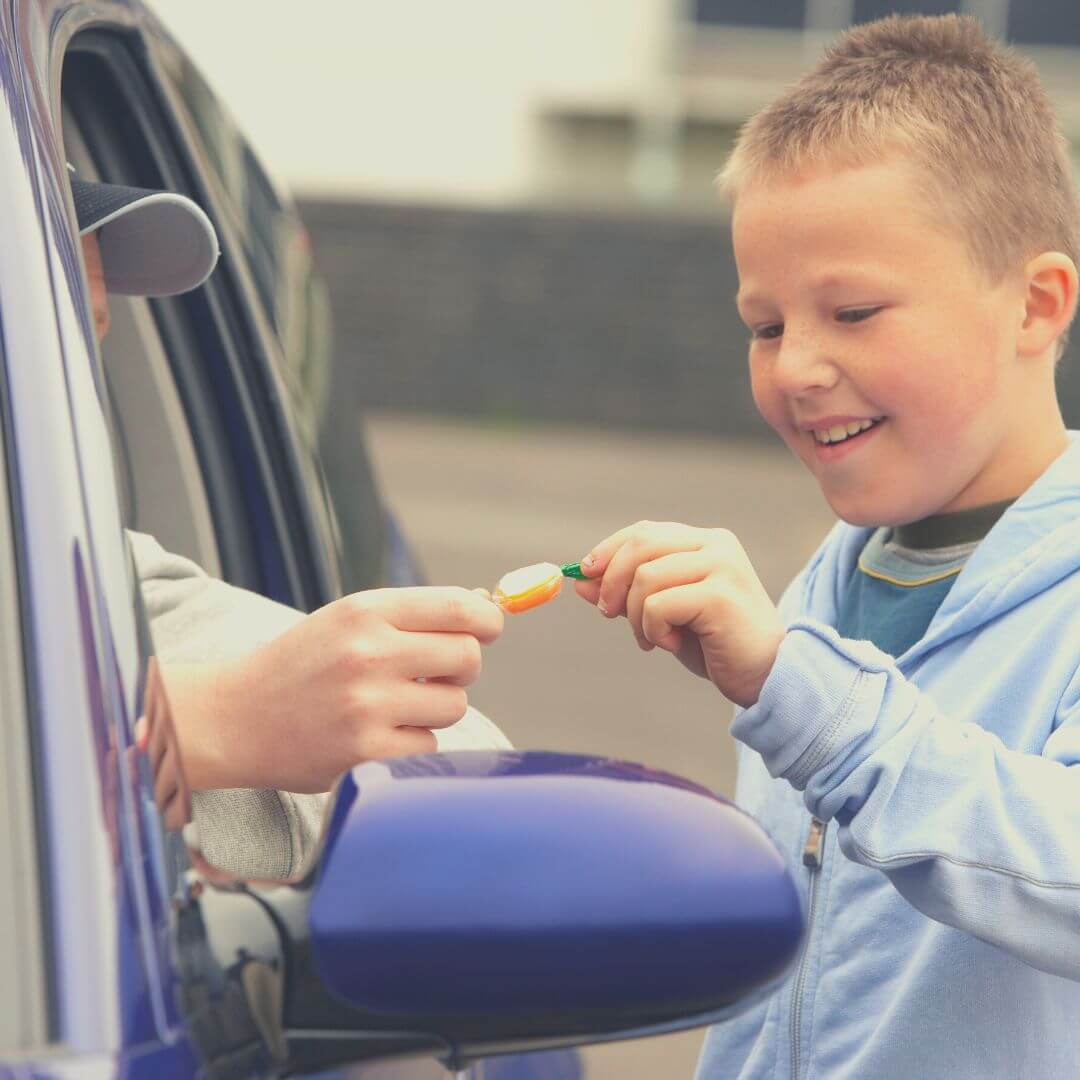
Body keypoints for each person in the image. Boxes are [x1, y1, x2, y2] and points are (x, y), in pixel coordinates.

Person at [573, 15, 1080, 1078]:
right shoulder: (821, 592)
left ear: (1036, 305)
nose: (797, 367)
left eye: (853, 311)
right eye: (765, 326)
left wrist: (802, 692)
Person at [72, 168, 509, 878]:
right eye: (35, 344)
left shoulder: (88, 569)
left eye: (87, 339)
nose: (73, 390)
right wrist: (220, 719)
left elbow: (470, 776)